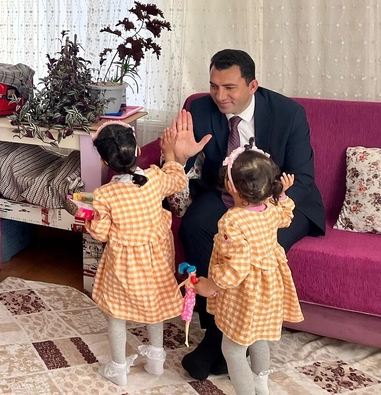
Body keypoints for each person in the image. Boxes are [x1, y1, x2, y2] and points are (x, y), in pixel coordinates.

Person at [173, 49, 325, 380]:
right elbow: (180, 164)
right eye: (214, 86)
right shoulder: (199, 108)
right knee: (194, 227)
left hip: (280, 200)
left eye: (229, 87)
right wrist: (177, 156)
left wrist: (264, 209)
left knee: (259, 245)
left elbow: (303, 177)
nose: (220, 96)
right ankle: (216, 324)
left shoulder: (288, 113)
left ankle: (221, 341)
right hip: (226, 192)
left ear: (252, 85)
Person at [193, 143, 304, 395]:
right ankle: (261, 387)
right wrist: (283, 195)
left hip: (244, 294)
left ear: (231, 185)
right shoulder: (271, 210)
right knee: (259, 337)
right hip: (269, 289)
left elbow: (236, 268)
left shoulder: (232, 220)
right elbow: (287, 216)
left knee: (232, 349)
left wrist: (211, 284)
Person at [86, 121, 188, 386]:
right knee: (155, 307)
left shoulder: (104, 195)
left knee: (116, 314)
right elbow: (178, 180)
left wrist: (87, 217)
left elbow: (101, 233)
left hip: (125, 265)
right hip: (157, 261)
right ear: (138, 150)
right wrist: (170, 155)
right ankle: (156, 362)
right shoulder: (155, 178)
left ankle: (118, 369)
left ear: (104, 162)